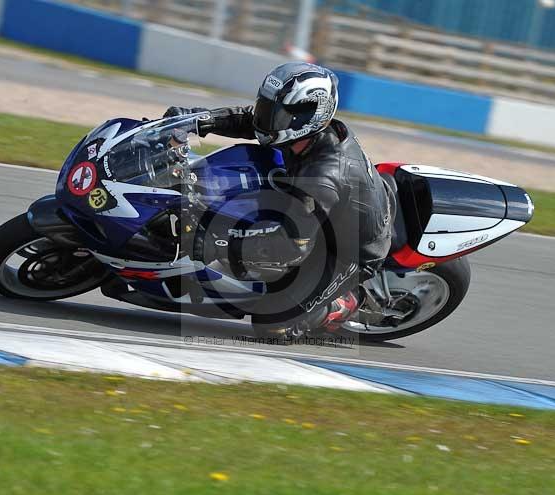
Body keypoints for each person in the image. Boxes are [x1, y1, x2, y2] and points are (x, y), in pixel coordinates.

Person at [164, 62, 393, 339]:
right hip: (314, 208)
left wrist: (215, 241)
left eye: (276, 112)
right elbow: (249, 120)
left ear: (307, 117)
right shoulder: (302, 133)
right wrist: (193, 120)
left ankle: (348, 301)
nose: (265, 117)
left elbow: (290, 245)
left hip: (346, 251)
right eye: (267, 106)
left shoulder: (326, 176)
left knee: (273, 326)